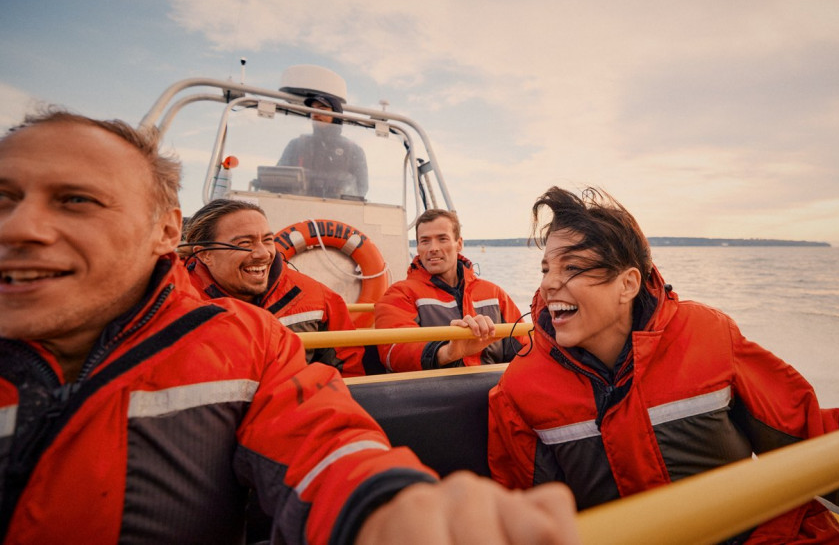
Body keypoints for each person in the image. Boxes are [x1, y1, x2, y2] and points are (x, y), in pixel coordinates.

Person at [0, 109, 579, 544]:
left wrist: (384, 511)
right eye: (4, 199)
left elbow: (325, 445)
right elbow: (394, 356)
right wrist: (453, 354)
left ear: (163, 232)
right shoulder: (395, 296)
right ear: (190, 245)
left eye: (74, 200)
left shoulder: (246, 341)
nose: (22, 227)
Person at [488, 186, 839, 544]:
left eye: (573, 268)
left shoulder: (706, 337)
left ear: (626, 283)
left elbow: (814, 442)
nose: (549, 284)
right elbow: (532, 522)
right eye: (546, 268)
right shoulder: (521, 389)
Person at [182, 198, 366, 376]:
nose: (263, 253)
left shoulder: (317, 298)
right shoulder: (173, 301)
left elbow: (349, 374)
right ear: (205, 254)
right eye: (244, 243)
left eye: (268, 240)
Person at [374, 209, 527, 373]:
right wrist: (447, 353)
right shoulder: (400, 294)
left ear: (459, 244)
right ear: (418, 247)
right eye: (425, 241)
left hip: (494, 388)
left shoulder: (495, 294)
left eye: (442, 239)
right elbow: (393, 352)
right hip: (435, 392)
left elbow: (525, 345)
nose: (433, 248)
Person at [278, 95, 368, 199]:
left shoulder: (353, 150)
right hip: (299, 206)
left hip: (337, 210)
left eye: (322, 109)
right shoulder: (296, 145)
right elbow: (278, 178)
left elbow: (361, 188)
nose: (315, 114)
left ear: (336, 115)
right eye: (312, 110)